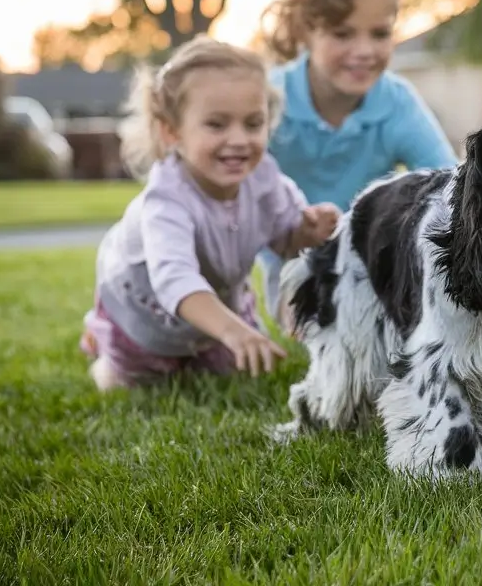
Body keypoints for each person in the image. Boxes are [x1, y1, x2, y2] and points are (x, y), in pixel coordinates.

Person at [79, 36, 340, 391]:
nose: (238, 139)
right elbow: (175, 279)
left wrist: (307, 232)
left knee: (234, 368)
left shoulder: (265, 179)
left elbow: (284, 238)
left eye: (253, 123)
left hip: (216, 304)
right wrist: (235, 331)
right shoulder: (167, 198)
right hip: (145, 311)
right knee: (130, 382)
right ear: (173, 132)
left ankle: (207, 346)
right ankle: (102, 346)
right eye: (217, 125)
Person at [256, 0, 458, 324]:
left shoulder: (396, 102)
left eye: (379, 34)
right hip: (290, 251)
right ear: (305, 30)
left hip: (370, 251)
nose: (364, 51)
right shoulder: (268, 101)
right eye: (343, 33)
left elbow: (448, 186)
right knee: (315, 327)